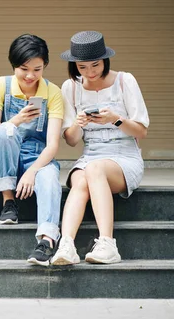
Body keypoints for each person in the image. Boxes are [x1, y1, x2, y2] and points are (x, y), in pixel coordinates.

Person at [51, 31, 149, 265]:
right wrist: (77, 123)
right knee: (81, 179)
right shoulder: (70, 88)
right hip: (90, 155)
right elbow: (72, 140)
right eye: (82, 67)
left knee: (93, 170)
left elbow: (141, 132)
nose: (90, 72)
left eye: (95, 65)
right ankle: (66, 245)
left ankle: (107, 243)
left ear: (105, 59)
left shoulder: (125, 81)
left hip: (124, 157)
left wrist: (115, 119)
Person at [0, 34, 63, 266]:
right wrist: (17, 120)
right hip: (5, 157)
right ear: (13, 65)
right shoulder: (1, 84)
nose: (30, 76)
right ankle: (8, 201)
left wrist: (33, 172)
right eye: (23, 69)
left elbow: (53, 144)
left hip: (38, 157)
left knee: (50, 175)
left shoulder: (53, 92)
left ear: (45, 66)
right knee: (5, 131)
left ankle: (46, 241)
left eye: (37, 69)